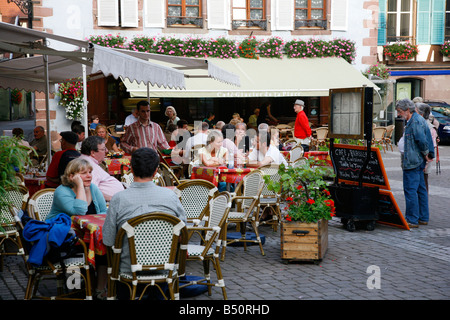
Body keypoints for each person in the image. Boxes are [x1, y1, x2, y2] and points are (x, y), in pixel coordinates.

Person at [102, 147, 187, 282]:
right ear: (155, 171)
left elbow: (108, 239)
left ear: (132, 169)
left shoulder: (118, 198)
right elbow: (183, 234)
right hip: (166, 267)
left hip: (128, 270)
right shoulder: (170, 196)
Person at [45, 157, 108, 299]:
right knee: (82, 248)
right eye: (83, 173)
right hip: (65, 238)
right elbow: (79, 210)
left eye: (90, 172)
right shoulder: (62, 191)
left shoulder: (93, 188)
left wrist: (83, 184)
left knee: (104, 246)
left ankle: (99, 289)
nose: (89, 176)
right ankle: (78, 288)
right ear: (71, 176)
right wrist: (80, 185)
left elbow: (103, 212)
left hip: (88, 233)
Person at [396, 99, 434, 228]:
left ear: (407, 110)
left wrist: (425, 154)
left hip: (413, 161)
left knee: (411, 190)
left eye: (400, 111)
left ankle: (412, 219)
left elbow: (422, 141)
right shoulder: (417, 119)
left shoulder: (415, 121)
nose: (399, 114)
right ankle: (423, 217)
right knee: (420, 189)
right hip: (417, 161)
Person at [79, 136, 124, 202]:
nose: (107, 151)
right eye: (103, 149)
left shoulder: (87, 161)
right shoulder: (87, 165)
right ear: (93, 153)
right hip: (109, 204)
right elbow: (90, 190)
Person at [415, 102, 438, 193]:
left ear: (422, 114)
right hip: (420, 160)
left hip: (425, 160)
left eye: (415, 111)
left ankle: (423, 204)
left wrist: (427, 163)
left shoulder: (429, 128)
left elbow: (431, 147)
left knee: (423, 183)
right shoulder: (419, 124)